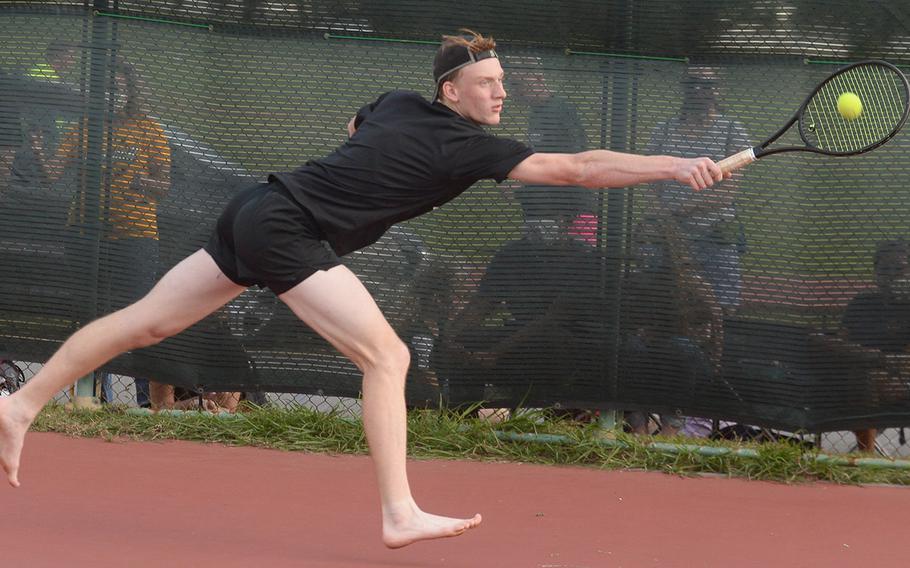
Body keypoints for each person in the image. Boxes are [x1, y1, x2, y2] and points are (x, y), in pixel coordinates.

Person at [0, 29, 724, 547]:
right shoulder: (470, 144)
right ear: (452, 91)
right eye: (488, 84)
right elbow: (578, 170)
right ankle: (399, 512)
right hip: (288, 231)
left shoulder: (397, 102)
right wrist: (674, 164)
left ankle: (20, 405)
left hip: (255, 208)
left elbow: (358, 122)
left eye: (503, 83)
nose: (501, 94)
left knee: (145, 323)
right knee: (387, 359)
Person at [30, 58, 170, 408]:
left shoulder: (148, 129)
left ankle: (145, 402)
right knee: (90, 317)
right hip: (84, 234)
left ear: (129, 91)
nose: (112, 95)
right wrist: (37, 152)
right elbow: (52, 174)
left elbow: (163, 185)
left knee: (138, 317)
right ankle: (94, 399)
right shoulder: (85, 128)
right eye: (105, 89)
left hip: (135, 235)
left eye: (118, 88)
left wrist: (143, 182)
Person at [625, 65, 749, 436]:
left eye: (707, 84)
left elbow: (729, 192)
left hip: (714, 238)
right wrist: (664, 221)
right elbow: (649, 180)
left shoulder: (731, 129)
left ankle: (704, 405)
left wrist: (682, 210)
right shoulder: (665, 130)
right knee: (663, 312)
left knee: (716, 313)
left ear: (718, 88)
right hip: (668, 240)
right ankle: (649, 406)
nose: (700, 90)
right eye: (693, 84)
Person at [839, 240, 910, 453]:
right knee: (859, 376)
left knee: (866, 379)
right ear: (876, 272)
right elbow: (840, 340)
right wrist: (864, 356)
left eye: (899, 269)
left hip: (900, 378)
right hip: (858, 370)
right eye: (885, 269)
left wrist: (878, 360)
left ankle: (866, 454)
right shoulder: (862, 303)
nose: (891, 275)